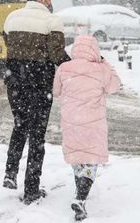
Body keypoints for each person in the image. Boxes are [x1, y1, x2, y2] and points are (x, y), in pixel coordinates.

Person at [2, 0, 71, 205]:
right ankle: (31, 189)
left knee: (20, 124)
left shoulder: (12, 18)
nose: (51, 2)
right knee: (37, 135)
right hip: (39, 82)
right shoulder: (52, 21)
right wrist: (77, 66)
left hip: (14, 79)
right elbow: (57, 54)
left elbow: (8, 42)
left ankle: (10, 173)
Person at [53, 35, 121, 221]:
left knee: (78, 157)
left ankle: (79, 190)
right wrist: (106, 63)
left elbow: (56, 91)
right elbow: (115, 86)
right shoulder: (100, 69)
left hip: (71, 122)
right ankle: (81, 198)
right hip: (94, 123)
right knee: (90, 160)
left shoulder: (64, 68)